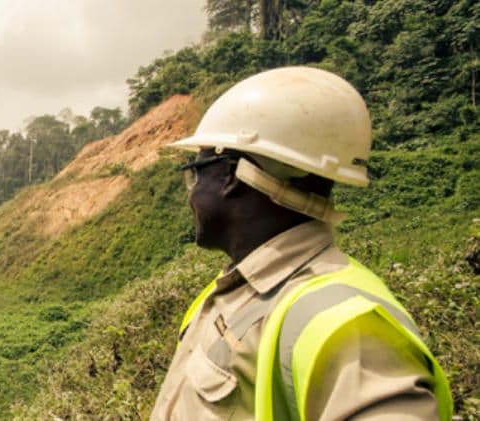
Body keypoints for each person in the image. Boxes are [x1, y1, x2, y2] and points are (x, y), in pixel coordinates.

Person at [149, 66, 452, 420]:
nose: (192, 194)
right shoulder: (231, 293)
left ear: (232, 175)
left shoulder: (344, 325)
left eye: (197, 172)